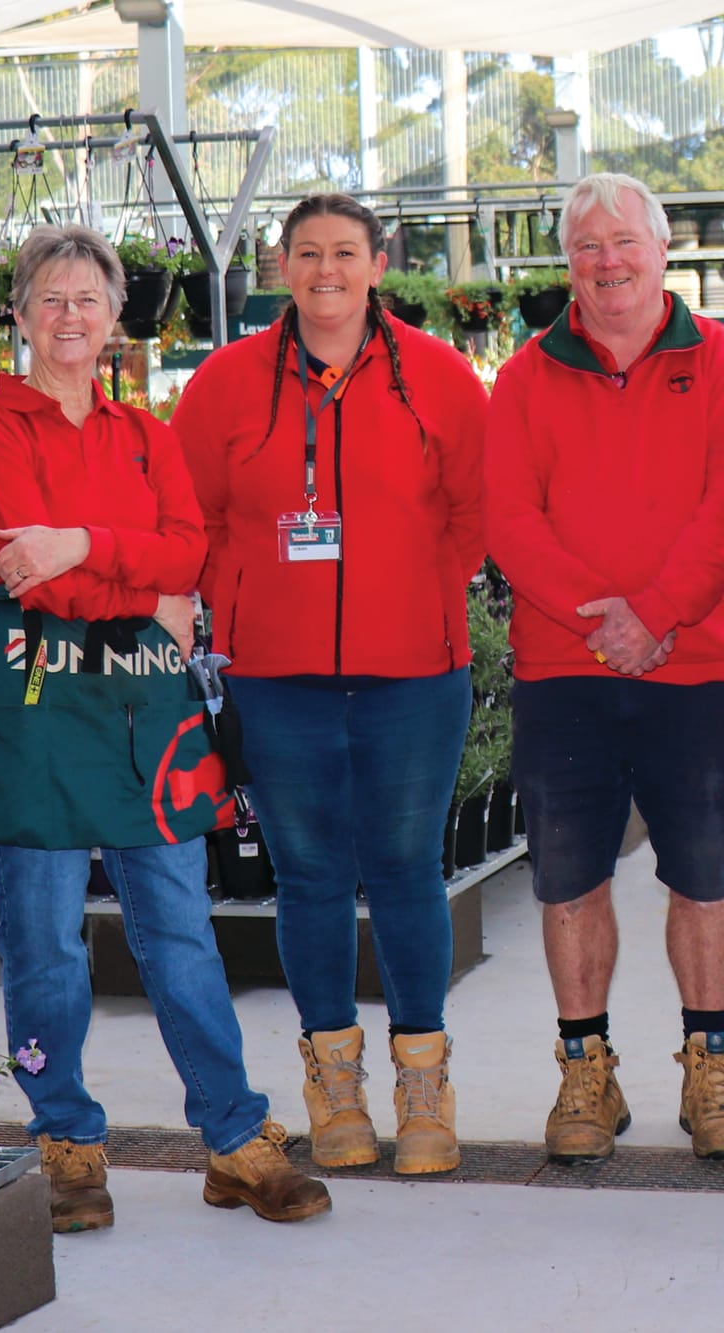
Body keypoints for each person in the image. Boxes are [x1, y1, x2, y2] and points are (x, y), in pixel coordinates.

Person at [0, 224, 329, 1231]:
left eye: (89, 300)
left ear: (117, 319)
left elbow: (187, 551)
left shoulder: (146, 436)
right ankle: (67, 1141)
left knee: (179, 929)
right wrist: (135, 577)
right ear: (21, 317)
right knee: (42, 941)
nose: (70, 316)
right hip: (31, 705)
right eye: (50, 299)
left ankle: (233, 1137)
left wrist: (82, 542)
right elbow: (27, 571)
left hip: (140, 709)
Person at [174, 194, 487, 1176]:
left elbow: (472, 511)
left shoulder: (436, 378)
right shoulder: (226, 384)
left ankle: (422, 1076)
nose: (325, 271)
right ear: (280, 266)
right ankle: (332, 1077)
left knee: (403, 867)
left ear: (377, 264)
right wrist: (235, 600)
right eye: (306, 253)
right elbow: (194, 513)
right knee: (307, 878)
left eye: (343, 253)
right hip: (276, 675)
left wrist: (421, 594)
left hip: (412, 673)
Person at [484, 172, 724, 1165]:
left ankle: (710, 1067)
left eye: (622, 242)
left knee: (704, 874)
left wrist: (655, 616)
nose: (605, 263)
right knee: (568, 879)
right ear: (568, 261)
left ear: (660, 251)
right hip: (565, 672)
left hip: (691, 666)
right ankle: (585, 1074)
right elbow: (509, 521)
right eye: (585, 247)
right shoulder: (523, 378)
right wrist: (601, 622)